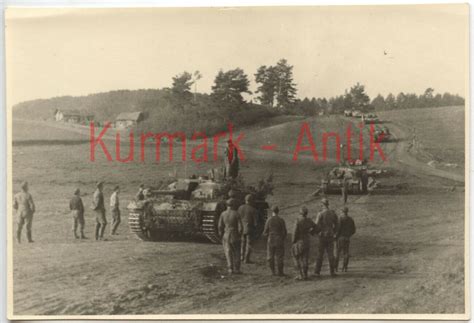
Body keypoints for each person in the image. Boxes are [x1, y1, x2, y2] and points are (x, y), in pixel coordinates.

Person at [291, 206, 318, 280]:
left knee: (297, 258)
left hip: (299, 242)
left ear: (300, 213)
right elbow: (316, 227)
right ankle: (305, 275)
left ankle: (300, 274)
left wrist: (293, 241)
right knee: (305, 259)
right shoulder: (309, 220)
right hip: (306, 241)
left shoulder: (297, 220)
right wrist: (311, 232)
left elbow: (295, 232)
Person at [314, 198, 338, 276]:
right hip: (330, 235)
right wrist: (333, 232)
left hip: (322, 236)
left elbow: (316, 225)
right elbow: (337, 224)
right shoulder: (333, 213)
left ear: (322, 204)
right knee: (330, 254)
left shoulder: (320, 214)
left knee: (320, 254)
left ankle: (317, 272)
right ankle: (332, 271)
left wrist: (319, 232)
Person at [218, 198, 243, 275]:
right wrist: (240, 235)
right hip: (234, 234)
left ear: (227, 205)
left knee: (228, 252)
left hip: (226, 234)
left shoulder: (223, 214)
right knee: (237, 252)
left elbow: (219, 226)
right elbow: (241, 227)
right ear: (234, 205)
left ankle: (230, 269)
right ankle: (237, 269)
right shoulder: (236, 214)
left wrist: (221, 234)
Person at [263, 206, 287, 276]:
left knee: (270, 256)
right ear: (278, 211)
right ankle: (280, 272)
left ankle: (272, 271)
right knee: (279, 256)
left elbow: (265, 232)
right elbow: (284, 232)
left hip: (271, 239)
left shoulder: (269, 220)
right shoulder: (281, 220)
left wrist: (268, 236)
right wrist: (282, 238)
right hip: (279, 239)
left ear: (272, 211)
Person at [238, 194, 258, 264]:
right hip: (249, 229)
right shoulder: (253, 210)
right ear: (252, 201)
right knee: (249, 244)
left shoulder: (240, 208)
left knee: (242, 243)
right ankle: (246, 259)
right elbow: (256, 223)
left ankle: (241, 257)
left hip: (241, 228)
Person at [335, 207, 356, 272]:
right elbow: (353, 230)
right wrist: (349, 235)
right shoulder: (351, 219)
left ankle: (336, 268)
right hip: (347, 238)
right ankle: (345, 267)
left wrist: (336, 236)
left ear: (342, 211)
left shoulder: (340, 219)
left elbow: (338, 229)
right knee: (346, 253)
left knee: (337, 253)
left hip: (340, 238)